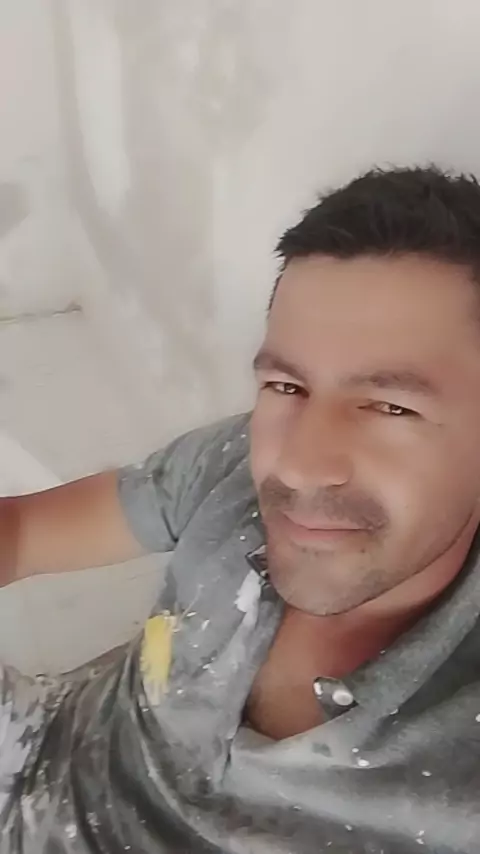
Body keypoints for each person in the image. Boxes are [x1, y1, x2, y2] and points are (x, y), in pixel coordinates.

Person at [1, 165, 480, 854]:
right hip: (47, 744)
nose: (297, 464)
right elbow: (20, 533)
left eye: (390, 406)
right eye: (287, 385)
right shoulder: (232, 458)